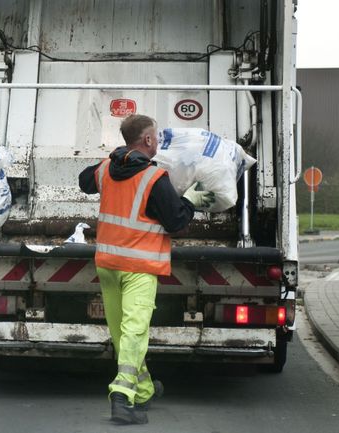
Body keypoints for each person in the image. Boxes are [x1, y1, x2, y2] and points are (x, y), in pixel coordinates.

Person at [78, 114, 215, 425]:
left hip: (108, 265)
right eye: (155, 136)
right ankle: (122, 396)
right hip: (139, 267)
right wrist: (190, 200)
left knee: (121, 333)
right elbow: (177, 221)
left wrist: (112, 158)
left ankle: (143, 390)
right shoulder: (154, 178)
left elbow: (84, 181)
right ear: (148, 140)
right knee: (134, 332)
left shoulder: (106, 169)